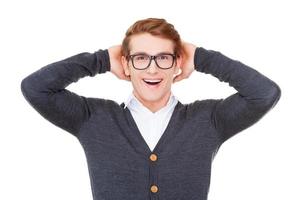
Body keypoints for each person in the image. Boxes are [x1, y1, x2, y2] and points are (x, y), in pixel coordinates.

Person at [20, 18, 281, 200]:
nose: (153, 69)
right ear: (126, 63)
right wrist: (100, 60)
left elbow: (265, 94)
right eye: (141, 58)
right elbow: (36, 88)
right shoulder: (93, 119)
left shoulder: (208, 120)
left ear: (177, 62)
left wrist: (201, 57)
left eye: (163, 58)